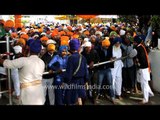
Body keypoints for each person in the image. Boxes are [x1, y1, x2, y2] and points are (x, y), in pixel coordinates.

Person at [0, 39, 45, 105]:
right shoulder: (41, 62)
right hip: (39, 93)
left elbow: (7, 64)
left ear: (29, 49)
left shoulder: (24, 61)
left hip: (27, 94)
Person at [64, 39, 89, 105]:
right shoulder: (83, 57)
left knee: (72, 101)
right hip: (81, 81)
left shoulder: (71, 58)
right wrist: (86, 80)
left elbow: (69, 73)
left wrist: (65, 81)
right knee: (80, 98)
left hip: (73, 82)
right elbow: (86, 71)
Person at [133, 35, 154, 104]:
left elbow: (142, 59)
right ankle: (150, 93)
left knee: (144, 84)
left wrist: (137, 63)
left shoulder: (139, 48)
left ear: (136, 42)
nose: (133, 43)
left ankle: (145, 99)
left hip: (143, 68)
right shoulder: (142, 47)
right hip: (145, 68)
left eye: (134, 42)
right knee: (144, 82)